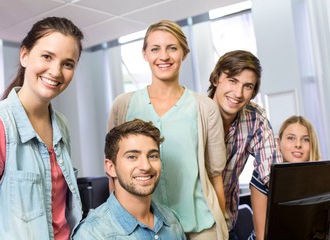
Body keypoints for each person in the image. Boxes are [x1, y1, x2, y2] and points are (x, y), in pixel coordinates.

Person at [108, 20, 228, 239]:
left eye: (172, 48)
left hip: (199, 228)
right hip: (143, 228)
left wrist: (223, 227)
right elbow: (114, 173)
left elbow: (215, 176)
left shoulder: (204, 108)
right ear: (145, 54)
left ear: (184, 53)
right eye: (155, 49)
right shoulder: (123, 105)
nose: (164, 56)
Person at [0, 17, 84, 240]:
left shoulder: (61, 125)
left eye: (68, 64)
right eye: (47, 57)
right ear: (24, 55)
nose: (56, 71)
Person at [207, 50, 283, 240]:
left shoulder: (254, 116)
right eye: (232, 81)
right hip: (191, 226)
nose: (238, 93)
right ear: (216, 79)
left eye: (247, 86)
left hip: (226, 224)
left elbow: (271, 174)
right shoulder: (193, 113)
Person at [72, 119, 186, 239]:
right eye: (132, 157)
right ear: (111, 168)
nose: (146, 166)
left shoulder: (172, 220)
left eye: (153, 156)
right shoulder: (92, 234)